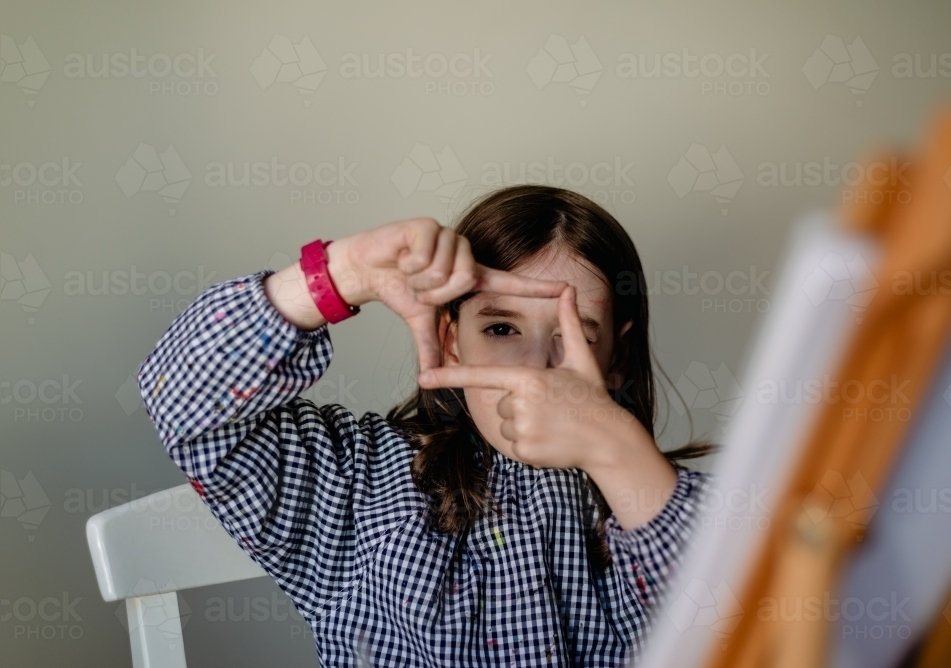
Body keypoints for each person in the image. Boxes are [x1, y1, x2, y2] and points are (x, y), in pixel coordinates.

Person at [137, 184, 713, 667]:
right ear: (449, 342)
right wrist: (339, 275)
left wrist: (617, 450)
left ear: (615, 358)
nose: (535, 371)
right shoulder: (356, 488)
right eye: (502, 329)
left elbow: (753, 620)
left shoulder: (653, 505)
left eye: (578, 337)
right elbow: (183, 399)